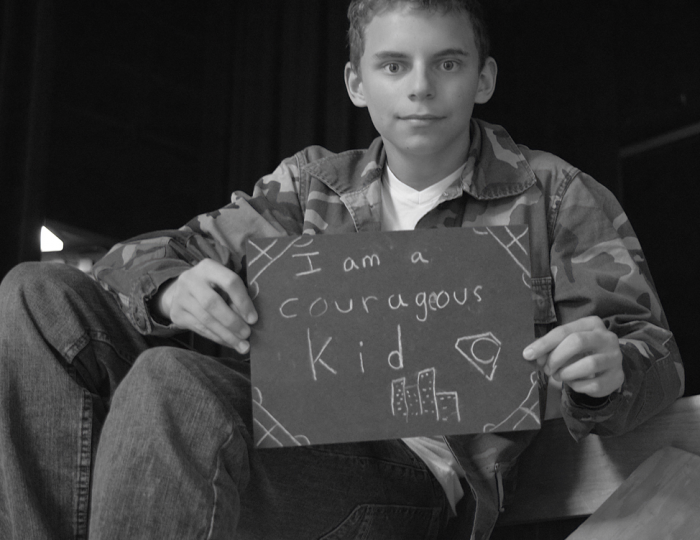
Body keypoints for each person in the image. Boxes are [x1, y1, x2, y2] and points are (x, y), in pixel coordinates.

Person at [0, 1, 684, 539]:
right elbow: (143, 256)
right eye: (393, 66)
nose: (420, 87)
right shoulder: (309, 187)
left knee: (170, 380)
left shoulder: (556, 194)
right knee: (34, 293)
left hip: (416, 487)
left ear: (485, 77)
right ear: (357, 83)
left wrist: (611, 369)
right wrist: (172, 287)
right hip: (276, 447)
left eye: (447, 64)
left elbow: (653, 351)